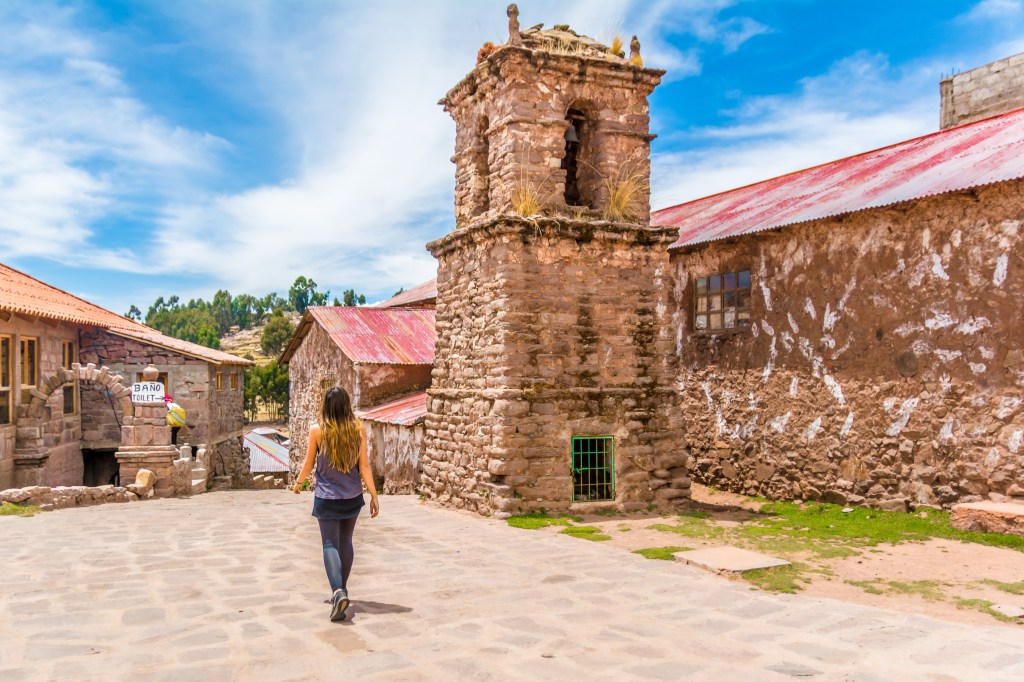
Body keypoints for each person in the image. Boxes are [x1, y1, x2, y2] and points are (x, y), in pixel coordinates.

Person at [292, 386, 379, 622]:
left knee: (329, 544)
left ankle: (338, 591)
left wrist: (298, 483)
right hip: (351, 497)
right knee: (346, 542)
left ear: (326, 406)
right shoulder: (357, 430)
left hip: (327, 497)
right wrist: (373, 494)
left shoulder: (317, 431)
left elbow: (309, 464)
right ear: (346, 405)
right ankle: (342, 590)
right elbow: (364, 467)